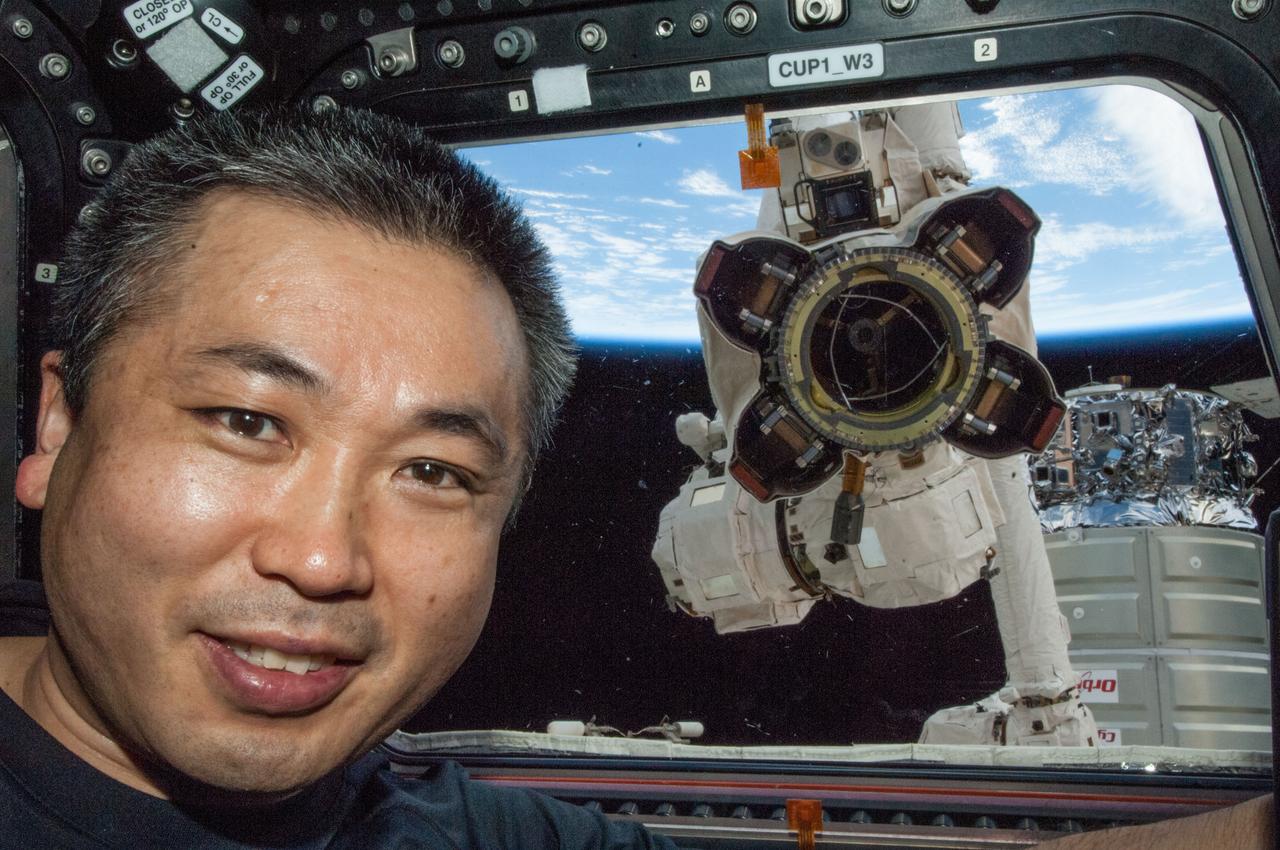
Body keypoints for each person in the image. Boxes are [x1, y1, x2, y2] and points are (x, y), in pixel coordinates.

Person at [0, 106, 1268, 848]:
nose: (323, 556)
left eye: (434, 469)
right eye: (245, 420)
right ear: (57, 423)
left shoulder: (443, 827)